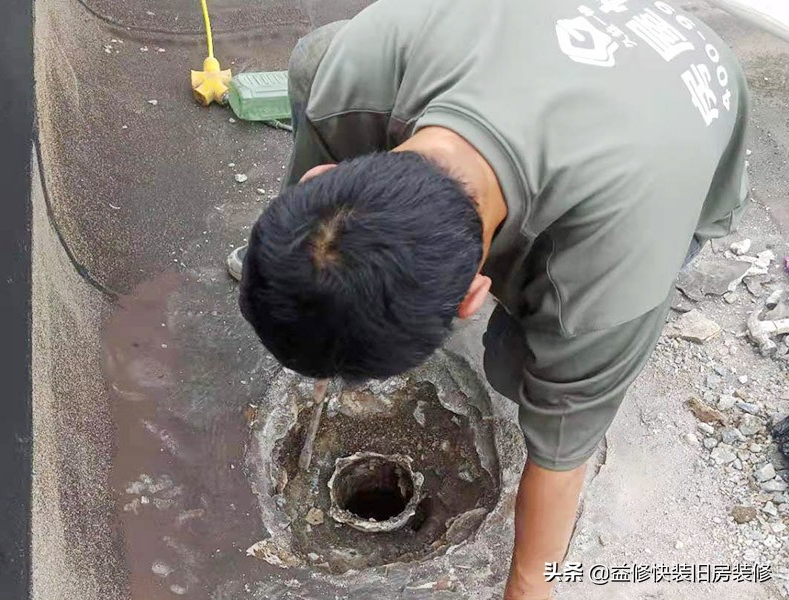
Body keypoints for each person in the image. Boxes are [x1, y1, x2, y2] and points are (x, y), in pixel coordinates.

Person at [228, 0, 749, 597]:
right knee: (313, 56)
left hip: (686, 97)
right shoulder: (359, 65)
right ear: (320, 182)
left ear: (476, 294)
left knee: (517, 366)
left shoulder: (611, 262)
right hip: (576, 39)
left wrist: (528, 586)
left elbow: (562, 449)